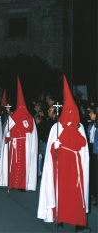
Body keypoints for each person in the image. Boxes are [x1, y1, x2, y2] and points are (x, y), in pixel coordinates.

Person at [38, 75, 90, 231]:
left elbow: (84, 149)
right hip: (60, 166)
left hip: (75, 167)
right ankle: (59, 217)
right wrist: (56, 144)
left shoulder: (79, 128)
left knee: (75, 193)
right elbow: (50, 150)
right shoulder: (56, 127)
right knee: (61, 192)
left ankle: (78, 222)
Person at [0, 77, 38, 191]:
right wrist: (8, 135)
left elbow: (32, 132)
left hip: (25, 145)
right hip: (14, 144)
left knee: (24, 165)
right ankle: (12, 183)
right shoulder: (13, 118)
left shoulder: (29, 118)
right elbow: (6, 129)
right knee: (13, 164)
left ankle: (22, 184)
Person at [88, 108, 98, 206]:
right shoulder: (91, 124)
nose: (90, 114)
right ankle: (93, 193)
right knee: (93, 173)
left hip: (96, 152)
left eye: (91, 113)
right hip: (91, 151)